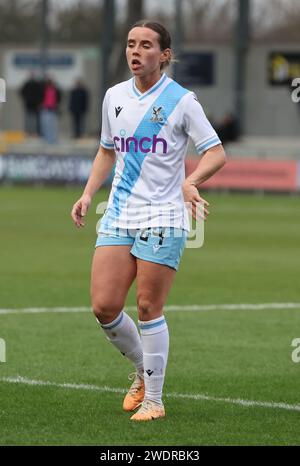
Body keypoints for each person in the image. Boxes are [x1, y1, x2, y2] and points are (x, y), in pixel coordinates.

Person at [71, 20, 226, 422]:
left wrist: (191, 181)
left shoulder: (182, 100)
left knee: (147, 306)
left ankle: (154, 400)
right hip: (119, 212)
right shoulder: (113, 96)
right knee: (104, 306)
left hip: (164, 214)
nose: (135, 52)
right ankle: (142, 370)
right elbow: (107, 151)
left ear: (165, 55)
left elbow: (215, 152)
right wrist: (88, 193)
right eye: (130, 44)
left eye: (145, 45)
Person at [40, 77, 61, 144]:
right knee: (45, 125)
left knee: (53, 125)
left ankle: (53, 139)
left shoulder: (55, 90)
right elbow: (41, 98)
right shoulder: (44, 89)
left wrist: (57, 105)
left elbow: (58, 98)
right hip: (46, 109)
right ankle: (46, 138)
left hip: (53, 109)